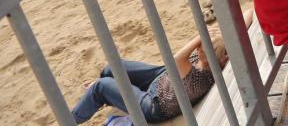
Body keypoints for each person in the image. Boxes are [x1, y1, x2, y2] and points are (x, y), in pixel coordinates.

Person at [71, 25, 229, 123]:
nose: (197, 48)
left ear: (208, 54)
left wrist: (199, 36)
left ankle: (71, 119)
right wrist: (216, 35)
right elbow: (248, 13)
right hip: (163, 80)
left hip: (154, 105)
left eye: (201, 47)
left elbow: (175, 59)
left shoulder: (197, 76)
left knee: (100, 86)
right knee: (112, 69)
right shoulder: (213, 60)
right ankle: (101, 98)